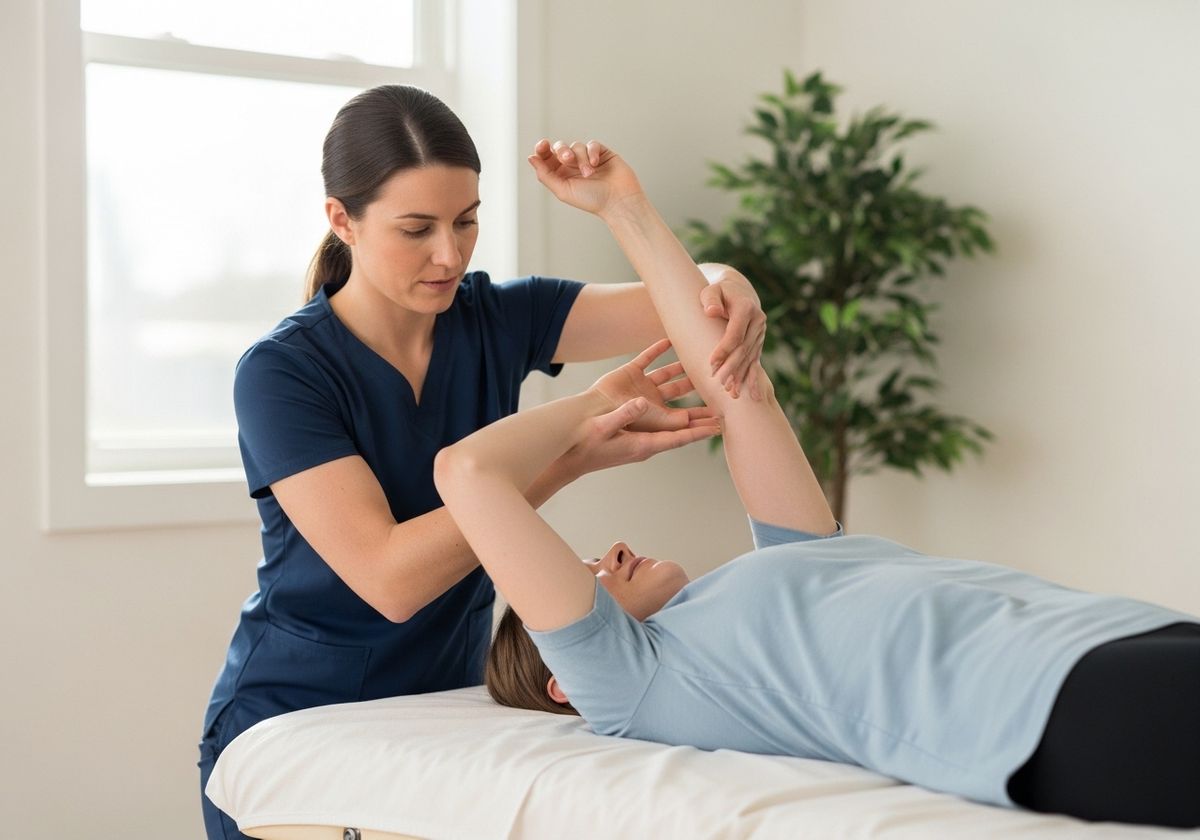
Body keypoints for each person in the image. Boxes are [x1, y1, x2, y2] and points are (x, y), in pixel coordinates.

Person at [433, 138, 1200, 829]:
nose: (617, 552)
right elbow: (466, 473)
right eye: (590, 573)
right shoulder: (630, 684)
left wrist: (622, 206)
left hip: (1101, 630)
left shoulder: (788, 556)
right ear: (566, 682)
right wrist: (595, 404)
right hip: (1033, 706)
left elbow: (739, 389)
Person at [198, 86, 768, 840]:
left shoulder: (495, 317)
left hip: (447, 713)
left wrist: (724, 278)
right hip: (295, 721)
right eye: (416, 229)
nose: (450, 254)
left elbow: (690, 302)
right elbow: (392, 581)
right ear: (342, 219)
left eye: (466, 221)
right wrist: (572, 438)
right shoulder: (282, 373)